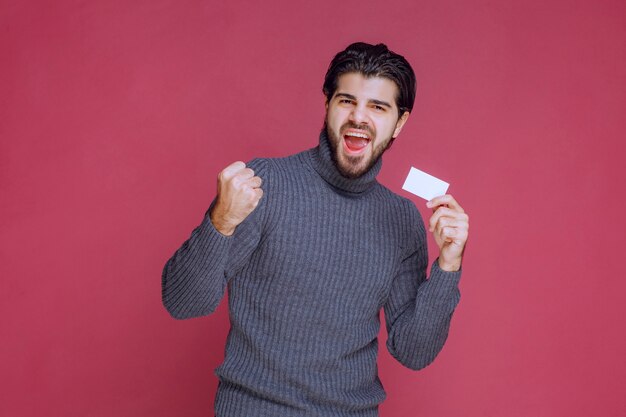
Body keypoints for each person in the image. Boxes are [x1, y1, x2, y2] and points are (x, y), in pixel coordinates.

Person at [162, 42, 469, 417]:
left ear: (400, 123)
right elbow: (183, 302)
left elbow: (413, 352)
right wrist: (220, 221)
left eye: (377, 107)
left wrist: (448, 267)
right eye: (346, 101)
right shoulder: (267, 184)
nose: (359, 117)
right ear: (327, 105)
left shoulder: (401, 218)